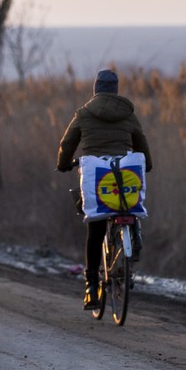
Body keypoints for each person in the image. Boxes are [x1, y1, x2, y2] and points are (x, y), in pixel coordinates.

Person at [56, 69, 152, 310]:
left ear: (96, 89)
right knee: (128, 204)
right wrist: (147, 165)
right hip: (124, 173)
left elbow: (67, 143)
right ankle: (134, 235)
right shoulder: (127, 114)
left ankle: (91, 287)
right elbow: (141, 141)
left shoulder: (84, 113)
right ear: (116, 89)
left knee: (96, 226)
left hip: (96, 176)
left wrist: (64, 164)